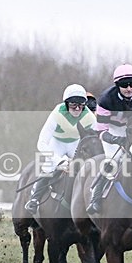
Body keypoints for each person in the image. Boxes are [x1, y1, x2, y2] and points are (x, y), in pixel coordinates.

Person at [86, 63, 132, 215]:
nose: (129, 88)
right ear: (117, 85)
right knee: (112, 162)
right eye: (124, 85)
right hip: (112, 130)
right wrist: (117, 140)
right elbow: (101, 131)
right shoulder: (105, 101)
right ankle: (95, 198)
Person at [24, 84, 96, 212]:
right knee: (49, 167)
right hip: (57, 143)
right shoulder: (57, 113)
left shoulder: (89, 116)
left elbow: (97, 138)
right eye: (73, 104)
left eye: (81, 104)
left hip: (75, 143)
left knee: (85, 168)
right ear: (66, 103)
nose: (78, 108)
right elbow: (41, 143)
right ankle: (34, 199)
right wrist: (59, 161)